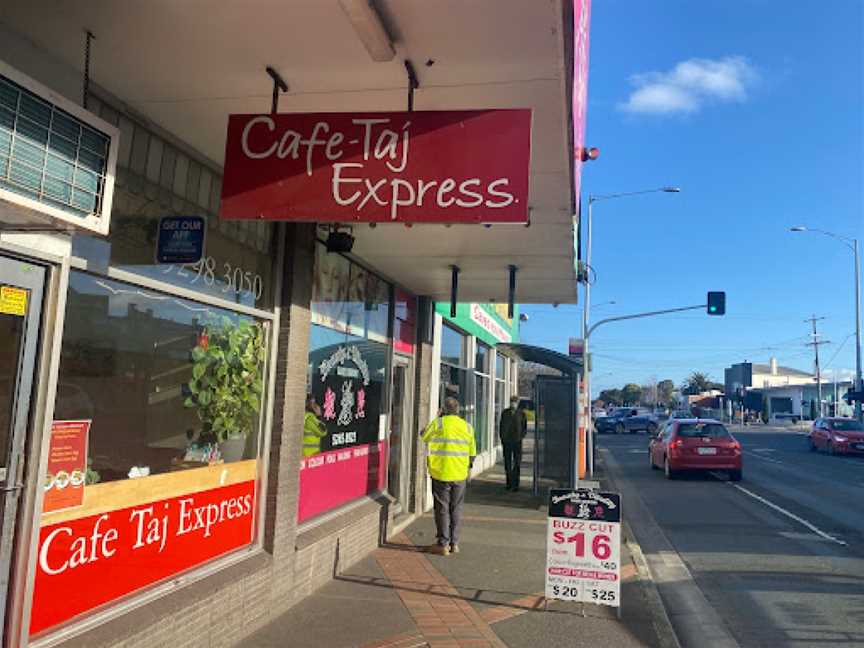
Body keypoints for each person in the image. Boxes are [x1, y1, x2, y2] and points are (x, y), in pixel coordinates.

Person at [421, 397, 477, 556]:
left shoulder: (438, 423)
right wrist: (467, 468)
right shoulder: (467, 427)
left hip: (441, 473)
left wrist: (437, 417)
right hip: (459, 474)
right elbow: (472, 453)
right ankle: (454, 543)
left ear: (443, 409)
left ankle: (442, 543)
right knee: (456, 508)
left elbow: (424, 436)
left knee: (442, 508)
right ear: (458, 411)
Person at [499, 396, 527, 491]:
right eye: (512, 401)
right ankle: (509, 483)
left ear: (518, 403)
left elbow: (524, 427)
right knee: (507, 463)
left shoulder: (521, 414)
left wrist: (521, 436)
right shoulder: (505, 413)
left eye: (515, 402)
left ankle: (516, 484)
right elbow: (501, 425)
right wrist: (502, 437)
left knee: (517, 463)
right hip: (507, 441)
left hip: (517, 441)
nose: (513, 403)